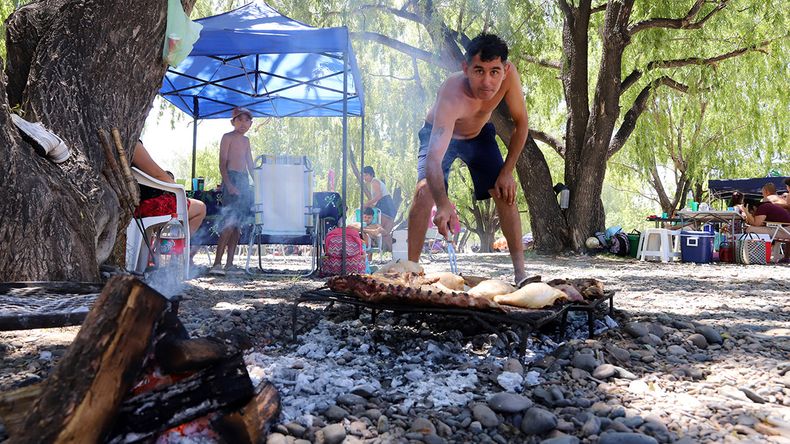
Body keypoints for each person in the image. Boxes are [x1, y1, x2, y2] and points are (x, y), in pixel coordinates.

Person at [406, 32, 529, 285]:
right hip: (440, 134)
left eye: (494, 71)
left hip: (479, 134)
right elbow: (433, 160)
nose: (487, 81)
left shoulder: (510, 76)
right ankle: (411, 271)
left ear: (505, 70)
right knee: (423, 192)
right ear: (465, 68)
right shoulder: (452, 94)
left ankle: (521, 274)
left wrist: (508, 171)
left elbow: (521, 123)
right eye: (478, 71)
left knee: (504, 191)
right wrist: (442, 204)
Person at [131, 141, 207, 257]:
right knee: (200, 208)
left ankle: (166, 252)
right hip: (143, 205)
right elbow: (157, 174)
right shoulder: (133, 143)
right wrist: (177, 189)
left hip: (133, 204)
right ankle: (178, 255)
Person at [209, 107, 254, 276]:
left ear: (250, 124)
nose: (243, 124)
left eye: (246, 120)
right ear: (233, 121)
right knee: (229, 223)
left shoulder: (246, 141)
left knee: (237, 227)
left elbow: (250, 165)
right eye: (239, 120)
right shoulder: (227, 137)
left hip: (243, 182)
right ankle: (217, 263)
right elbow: (222, 164)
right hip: (232, 180)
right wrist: (228, 184)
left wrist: (259, 183)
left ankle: (230, 264)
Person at [362, 166, 395, 250]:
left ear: (371, 174)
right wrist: (370, 205)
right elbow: (377, 200)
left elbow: (379, 196)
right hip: (389, 209)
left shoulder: (374, 182)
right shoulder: (374, 182)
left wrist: (366, 204)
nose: (364, 177)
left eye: (365, 175)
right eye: (363, 175)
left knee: (379, 229)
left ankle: (371, 247)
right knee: (386, 234)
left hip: (385, 209)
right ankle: (395, 254)